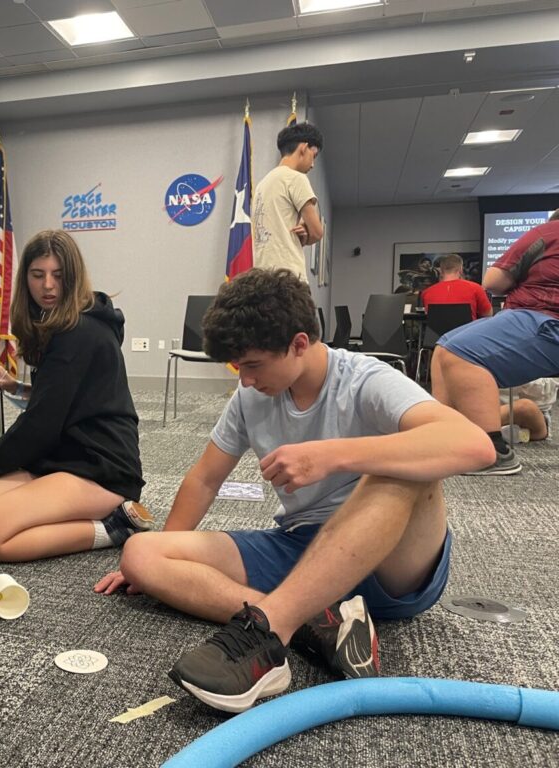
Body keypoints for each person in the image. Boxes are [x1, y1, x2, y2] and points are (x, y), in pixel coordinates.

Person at [94, 269, 493, 714]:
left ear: (299, 344)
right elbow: (205, 478)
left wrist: (336, 455)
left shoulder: (365, 380)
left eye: (253, 365)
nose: (244, 380)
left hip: (391, 559)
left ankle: (270, 631)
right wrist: (164, 546)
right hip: (302, 548)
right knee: (142, 553)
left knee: (403, 467)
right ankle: (313, 625)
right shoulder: (250, 398)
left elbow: (475, 445)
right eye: (237, 367)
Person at [0, 230, 148, 563]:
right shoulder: (61, 323)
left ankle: (115, 526)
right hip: (59, 454)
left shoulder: (78, 331)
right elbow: (64, 397)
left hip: (99, 466)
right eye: (37, 275)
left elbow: (39, 428)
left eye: (58, 276)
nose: (47, 285)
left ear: (72, 278)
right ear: (26, 278)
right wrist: (15, 385)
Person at [432, 209, 559, 475]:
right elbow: (487, 310)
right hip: (540, 317)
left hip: (545, 317)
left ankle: (491, 452)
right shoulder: (471, 289)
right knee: (445, 345)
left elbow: (495, 281)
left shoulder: (547, 232)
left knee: (457, 351)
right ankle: (445, 433)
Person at [251, 122, 325, 281]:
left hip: (262, 279)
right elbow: (318, 233)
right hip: (290, 280)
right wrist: (309, 232)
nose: (312, 164)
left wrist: (304, 235)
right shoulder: (297, 178)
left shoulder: (262, 184)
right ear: (304, 148)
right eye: (314, 155)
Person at [421, 253, 492, 321]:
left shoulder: (426, 293)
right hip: (466, 332)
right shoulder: (476, 288)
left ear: (441, 271)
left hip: (438, 333)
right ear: (461, 270)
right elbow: (488, 314)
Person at [499, 377, 556, 443]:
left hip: (533, 416)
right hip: (493, 406)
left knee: (525, 407)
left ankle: (491, 429)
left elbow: (545, 393)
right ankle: (497, 432)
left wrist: (521, 374)